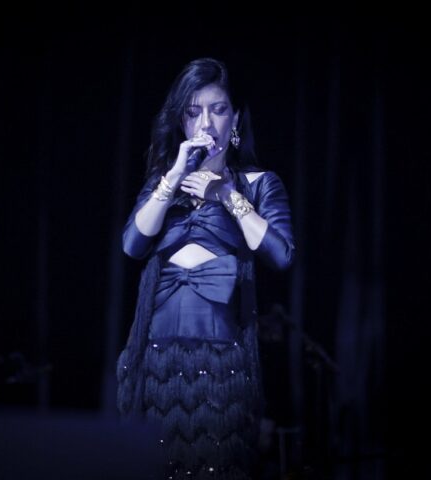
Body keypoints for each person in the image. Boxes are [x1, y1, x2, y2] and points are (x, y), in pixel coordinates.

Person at [116, 57, 295, 479]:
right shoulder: (163, 184)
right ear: (181, 122)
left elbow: (281, 255)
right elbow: (132, 245)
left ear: (235, 119)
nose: (206, 123)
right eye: (193, 112)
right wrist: (175, 174)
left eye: (217, 110)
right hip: (157, 361)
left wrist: (226, 195)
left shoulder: (259, 183)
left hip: (221, 363)